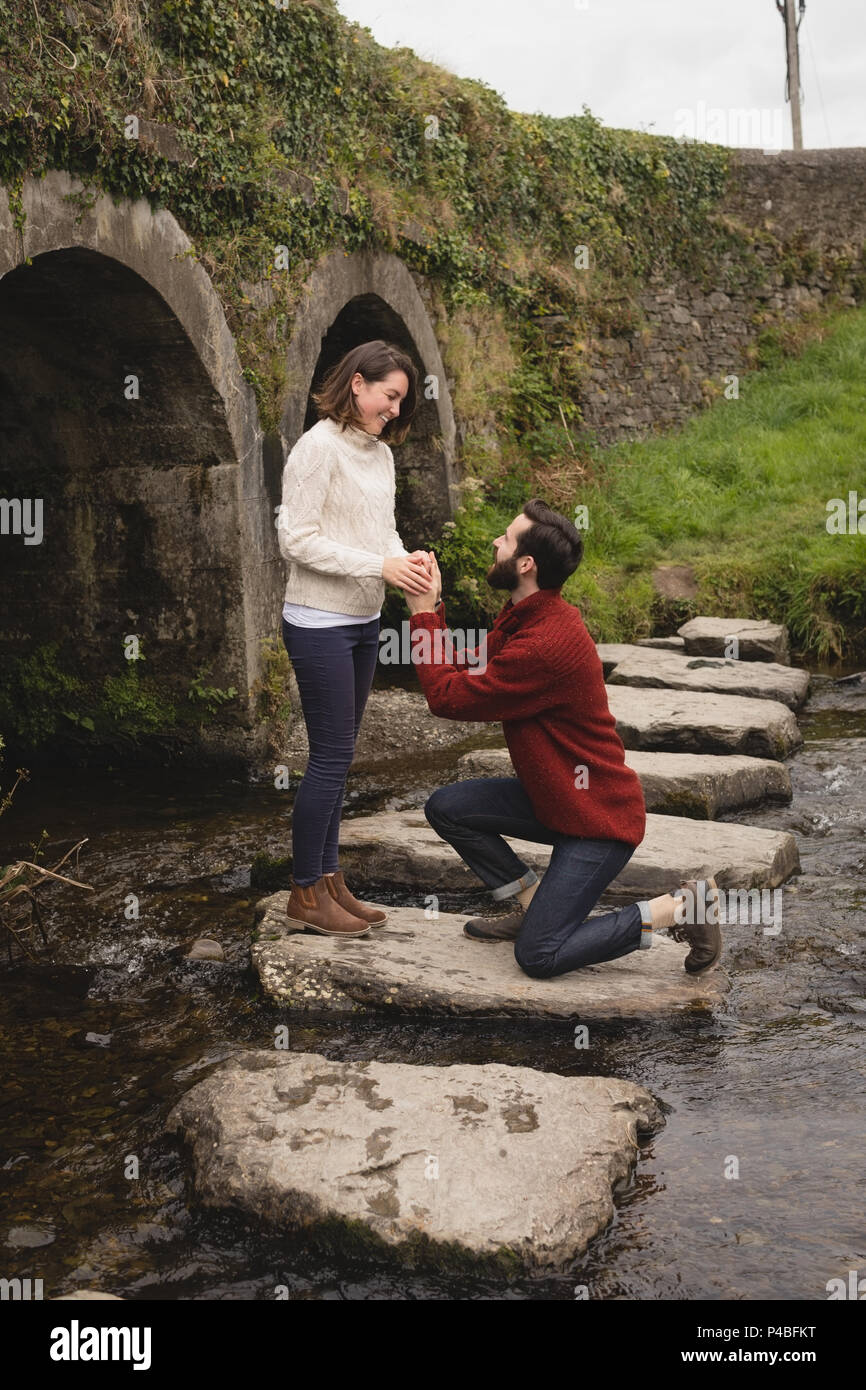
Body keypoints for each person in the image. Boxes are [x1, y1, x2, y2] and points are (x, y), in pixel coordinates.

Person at [403, 498, 723, 977]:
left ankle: (680, 909)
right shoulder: (529, 614)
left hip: (598, 820)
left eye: (506, 538)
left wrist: (424, 615)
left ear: (525, 564)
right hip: (557, 798)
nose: (495, 541)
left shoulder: (545, 644)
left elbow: (447, 698)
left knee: (539, 956)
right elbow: (469, 666)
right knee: (448, 808)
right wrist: (435, 607)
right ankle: (531, 905)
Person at [275, 339, 433, 938]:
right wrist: (378, 567)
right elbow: (297, 539)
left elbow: (382, 531)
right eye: (389, 396)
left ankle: (331, 881)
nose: (394, 409)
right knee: (330, 759)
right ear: (358, 383)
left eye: (401, 402)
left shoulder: (378, 455)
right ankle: (303, 894)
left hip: (364, 622)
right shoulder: (316, 449)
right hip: (318, 621)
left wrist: (405, 560)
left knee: (340, 760)